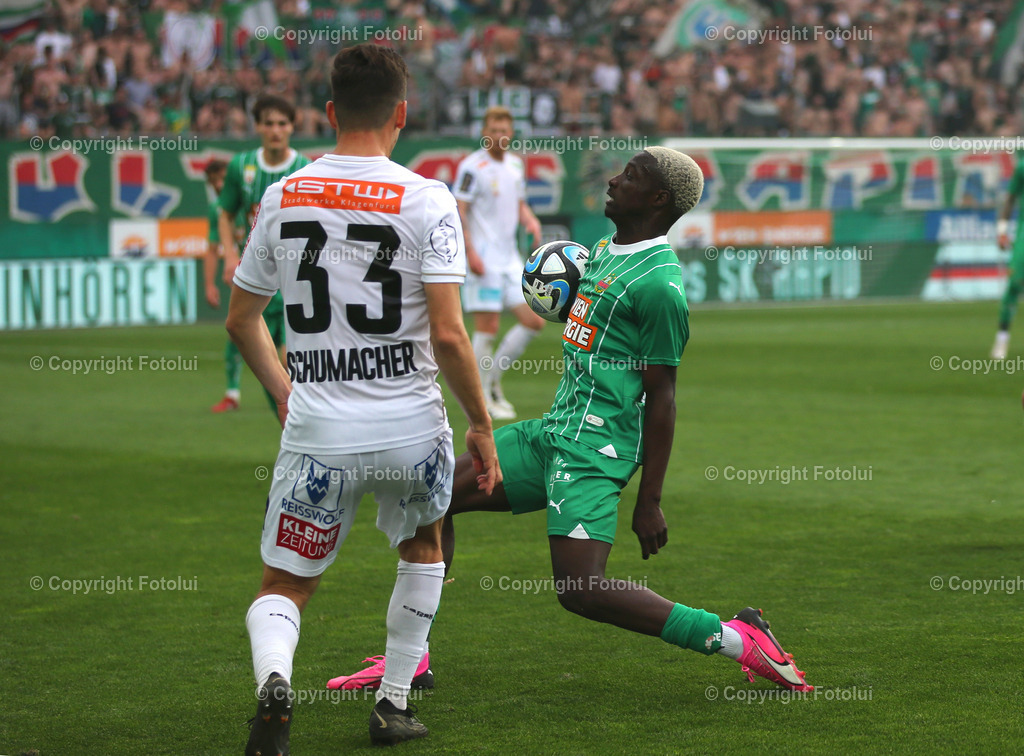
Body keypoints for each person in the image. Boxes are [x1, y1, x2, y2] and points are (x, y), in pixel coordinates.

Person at [331, 147, 813, 696]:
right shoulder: (606, 249)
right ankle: (409, 658)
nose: (613, 180)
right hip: (552, 434)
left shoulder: (660, 286)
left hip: (595, 450)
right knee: (432, 496)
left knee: (580, 590)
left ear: (658, 199)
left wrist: (649, 498)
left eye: (629, 176)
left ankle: (737, 638)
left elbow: (663, 397)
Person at [226, 43, 499, 752]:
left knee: (284, 584)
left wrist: (284, 392)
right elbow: (449, 336)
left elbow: (241, 318)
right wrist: (480, 424)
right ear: (401, 114)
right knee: (423, 545)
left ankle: (275, 685)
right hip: (412, 427)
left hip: (319, 432)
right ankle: (393, 704)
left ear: (326, 114)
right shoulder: (426, 197)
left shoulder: (283, 194)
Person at [212, 95, 311, 414]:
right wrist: (229, 257)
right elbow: (225, 213)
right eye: (268, 123)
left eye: (282, 123)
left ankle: (303, 424)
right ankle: (291, 427)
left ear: (292, 127)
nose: (275, 130)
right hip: (257, 277)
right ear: (257, 127)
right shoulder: (241, 166)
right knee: (266, 363)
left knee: (287, 358)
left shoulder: (305, 169)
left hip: (296, 278)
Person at [454, 106, 545, 420]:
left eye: (505, 130)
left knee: (534, 320)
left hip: (509, 260)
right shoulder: (472, 167)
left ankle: (492, 382)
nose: (500, 136)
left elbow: (519, 204)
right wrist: (470, 252)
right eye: (494, 129)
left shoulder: (515, 165)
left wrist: (530, 221)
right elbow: (459, 211)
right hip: (484, 260)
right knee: (487, 328)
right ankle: (481, 399)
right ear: (484, 132)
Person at [991, 162, 1024, 360]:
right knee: (1013, 285)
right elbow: (1010, 199)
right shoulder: (1022, 167)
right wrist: (1002, 231)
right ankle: (1002, 337)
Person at [201, 159, 228, 309]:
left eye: (223, 179)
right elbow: (212, 250)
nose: (218, 185)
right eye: (213, 181)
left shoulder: (251, 201)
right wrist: (210, 285)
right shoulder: (216, 209)